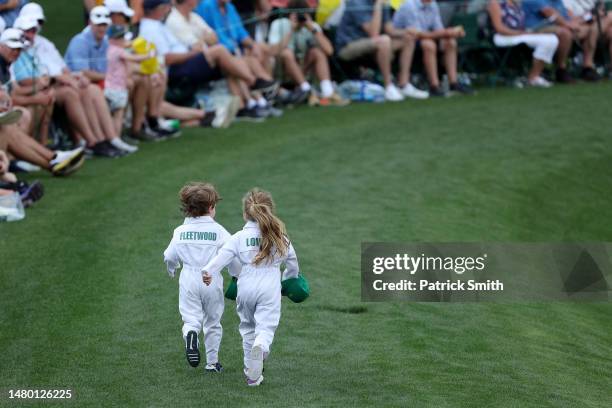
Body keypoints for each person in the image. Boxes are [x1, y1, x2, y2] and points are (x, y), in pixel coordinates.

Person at [201, 188, 300, 387]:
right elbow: (293, 262)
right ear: (270, 210)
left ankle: (251, 374)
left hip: (245, 284)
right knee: (266, 327)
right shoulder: (280, 236)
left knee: (247, 327)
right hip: (270, 285)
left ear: (245, 214)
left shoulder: (238, 237)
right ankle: (260, 348)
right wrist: (290, 279)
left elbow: (223, 256)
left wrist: (209, 271)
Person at [13, 11, 132, 156]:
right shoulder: (21, 49)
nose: (31, 33)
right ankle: (91, 141)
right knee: (73, 92)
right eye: (27, 30)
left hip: (51, 85)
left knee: (89, 89)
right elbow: (26, 80)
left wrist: (71, 77)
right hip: (46, 88)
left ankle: (106, 139)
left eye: (34, 29)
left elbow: (62, 68)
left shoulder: (40, 44)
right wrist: (57, 79)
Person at [163, 182, 241, 373]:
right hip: (211, 279)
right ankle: (212, 363)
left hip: (189, 277)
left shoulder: (179, 232)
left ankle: (191, 334)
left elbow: (169, 256)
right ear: (211, 207)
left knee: (191, 318)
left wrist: (172, 268)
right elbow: (232, 255)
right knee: (213, 322)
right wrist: (236, 276)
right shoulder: (219, 231)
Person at [0, 28, 85, 176]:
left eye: (19, 49)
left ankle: (53, 161)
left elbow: (10, 94)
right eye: (13, 48)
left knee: (9, 127)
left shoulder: (5, 66)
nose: (16, 53)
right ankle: (53, 160)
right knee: (8, 127)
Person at [335, 0, 424, 101]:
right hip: (347, 46)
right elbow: (374, 33)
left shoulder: (383, 3)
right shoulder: (356, 3)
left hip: (371, 43)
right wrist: (378, 5)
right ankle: (388, 86)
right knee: (384, 41)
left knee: (408, 39)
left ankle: (404, 84)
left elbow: (389, 29)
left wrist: (406, 31)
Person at [267, 0, 349, 106]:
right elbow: (273, 52)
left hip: (303, 68)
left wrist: (312, 29)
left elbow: (329, 51)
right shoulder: (279, 24)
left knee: (317, 52)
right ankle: (307, 91)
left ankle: (328, 92)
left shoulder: (312, 26)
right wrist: (291, 31)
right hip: (282, 71)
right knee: (286, 53)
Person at [393, 0, 473, 96]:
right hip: (404, 40)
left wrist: (450, 34)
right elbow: (418, 34)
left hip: (422, 37)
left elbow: (438, 29)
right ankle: (434, 86)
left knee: (450, 42)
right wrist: (447, 32)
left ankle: (453, 83)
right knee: (429, 44)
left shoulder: (432, 4)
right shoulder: (409, 6)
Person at [522, 0, 599, 82]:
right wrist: (571, 26)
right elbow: (550, 14)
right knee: (565, 33)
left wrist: (585, 19)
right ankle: (561, 69)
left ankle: (587, 67)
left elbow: (567, 19)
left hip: (556, 27)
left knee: (591, 30)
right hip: (534, 29)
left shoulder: (558, 1)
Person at [488, 0, 558, 87]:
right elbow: (499, 28)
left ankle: (535, 75)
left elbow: (521, 25)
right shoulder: (495, 3)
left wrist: (530, 31)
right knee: (547, 41)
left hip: (519, 34)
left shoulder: (516, 4)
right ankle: (533, 77)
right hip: (503, 37)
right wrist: (519, 33)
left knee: (552, 39)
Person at [105, 24, 151, 141]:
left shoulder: (109, 50)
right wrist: (148, 55)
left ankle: (114, 138)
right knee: (118, 114)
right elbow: (133, 58)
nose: (122, 40)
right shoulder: (117, 50)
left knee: (114, 115)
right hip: (117, 88)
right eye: (119, 38)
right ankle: (116, 138)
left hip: (110, 88)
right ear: (111, 40)